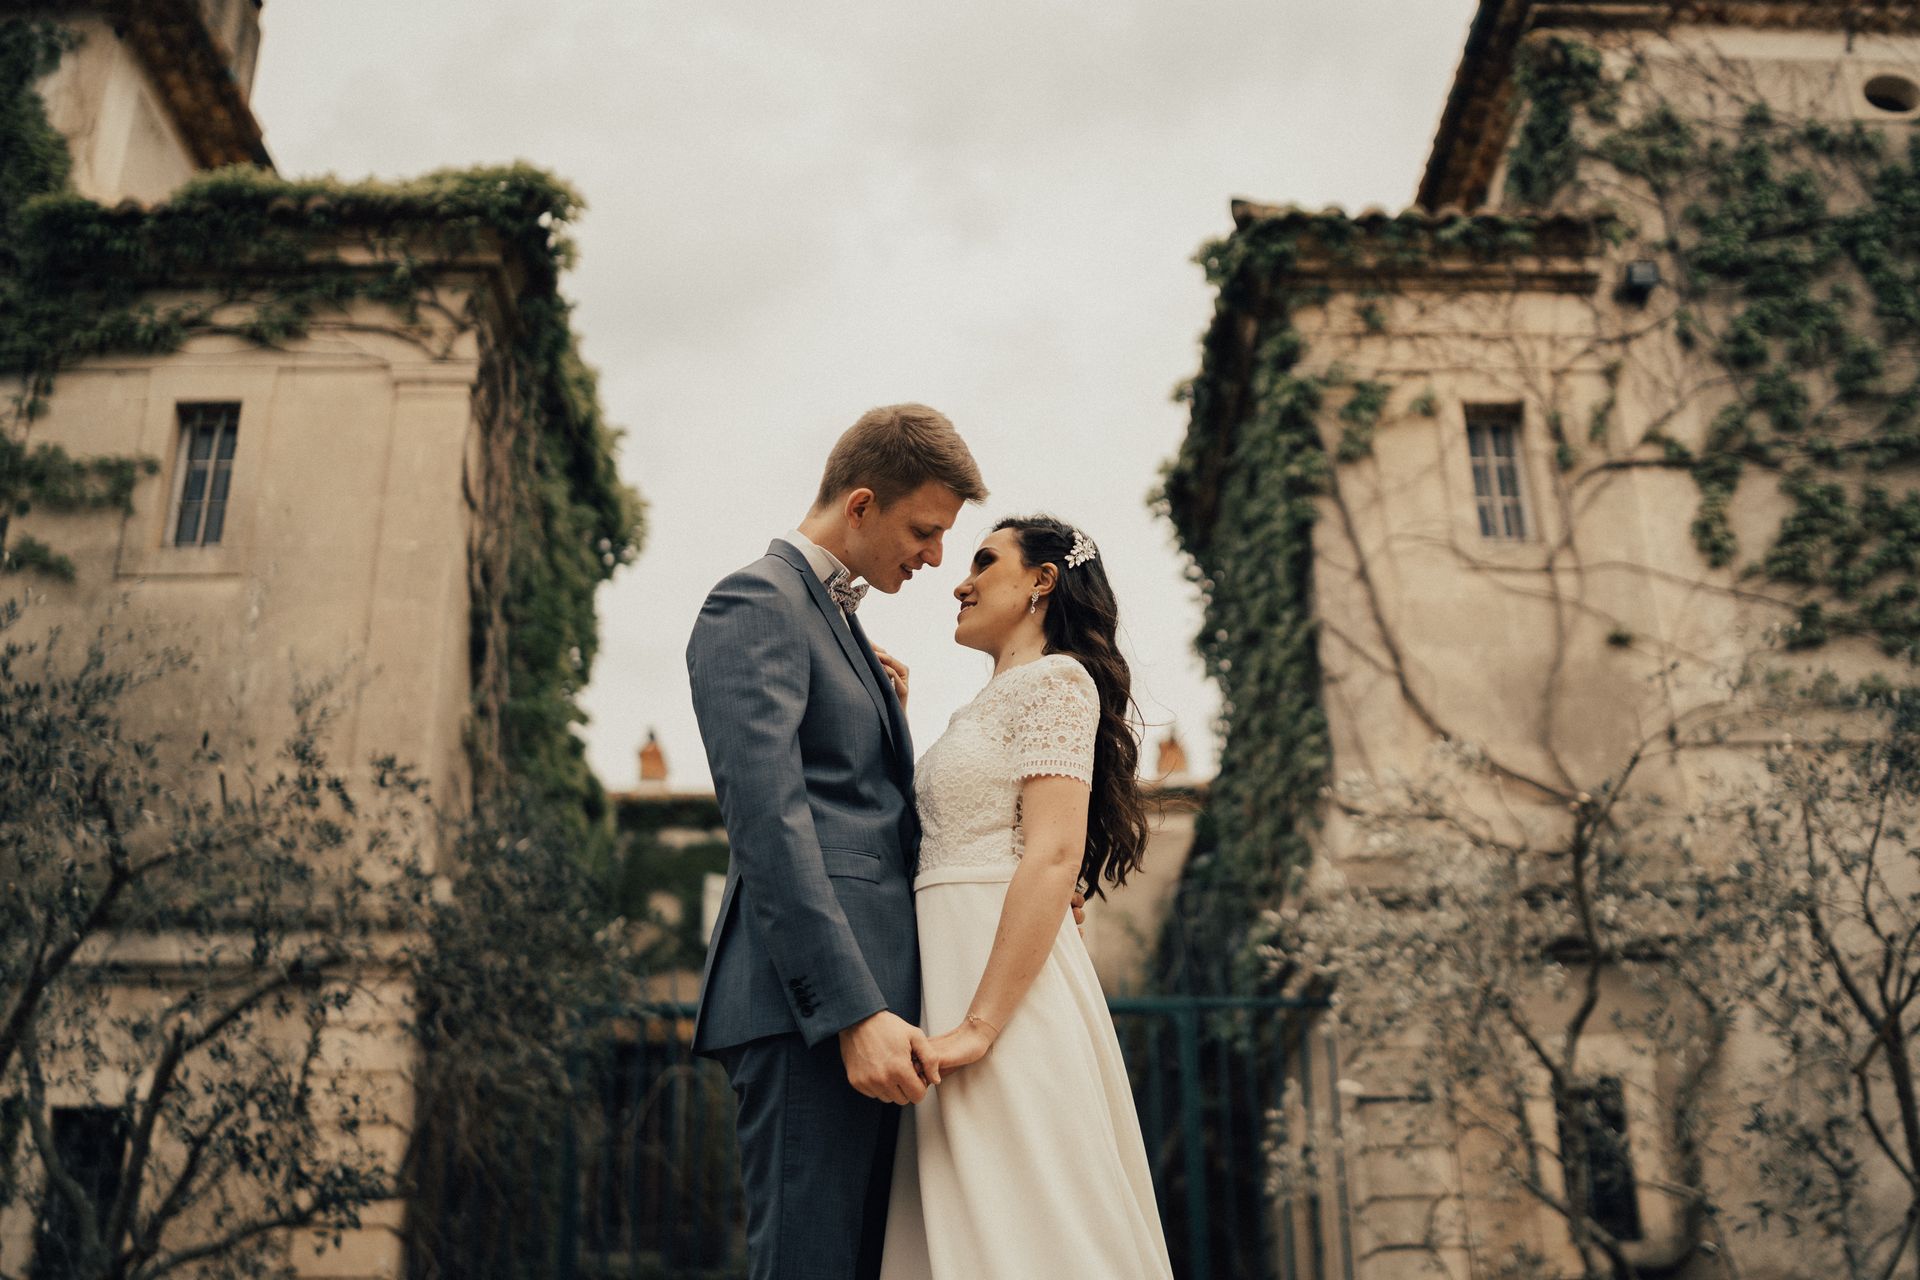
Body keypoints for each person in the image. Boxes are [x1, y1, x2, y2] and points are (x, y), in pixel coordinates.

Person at [685, 403, 986, 1280]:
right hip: (812, 1015)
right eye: (924, 531)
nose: (936, 558)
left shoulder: (836, 618)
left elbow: (862, 807)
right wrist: (850, 1013)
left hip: (881, 1016)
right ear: (861, 505)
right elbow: (770, 825)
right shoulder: (755, 602)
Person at [876, 515, 1176, 1280]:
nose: (960, 579)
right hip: (945, 973)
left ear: (1043, 581)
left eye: (984, 561)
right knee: (969, 1222)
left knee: (1030, 1219)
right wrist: (896, 727)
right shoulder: (976, 710)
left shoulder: (1059, 681)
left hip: (1000, 996)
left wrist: (979, 1027)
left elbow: (1052, 854)